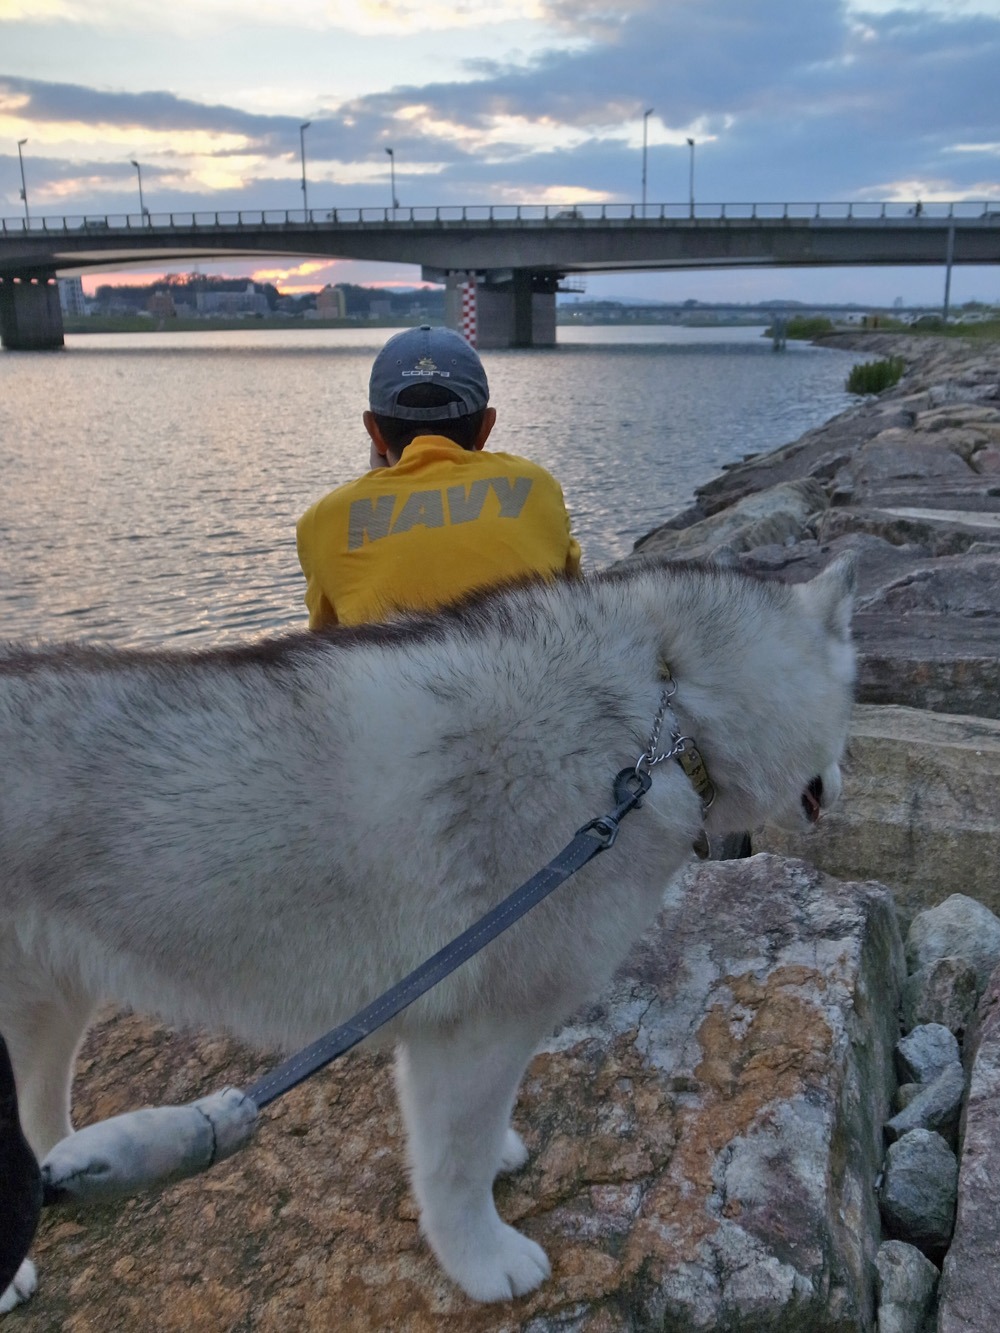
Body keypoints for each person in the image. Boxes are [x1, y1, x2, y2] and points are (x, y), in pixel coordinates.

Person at [296, 325, 581, 628]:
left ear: (373, 430)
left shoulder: (325, 519)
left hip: (400, 676)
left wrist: (384, 484)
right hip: (534, 673)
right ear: (486, 426)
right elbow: (574, 597)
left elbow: (323, 649)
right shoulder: (536, 485)